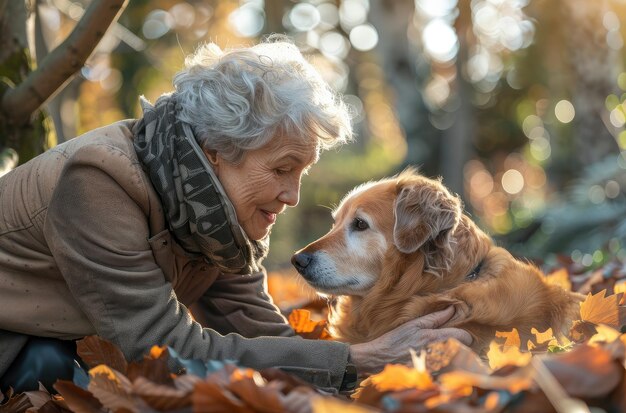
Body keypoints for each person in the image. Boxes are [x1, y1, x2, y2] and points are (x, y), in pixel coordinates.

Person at [0, 36, 471, 393]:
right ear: (216, 151)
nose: (292, 196)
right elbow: (165, 348)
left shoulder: (211, 208)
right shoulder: (99, 182)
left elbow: (262, 333)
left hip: (67, 339)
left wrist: (369, 375)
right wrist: (358, 357)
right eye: (283, 169)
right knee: (54, 371)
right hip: (16, 343)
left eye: (302, 171)